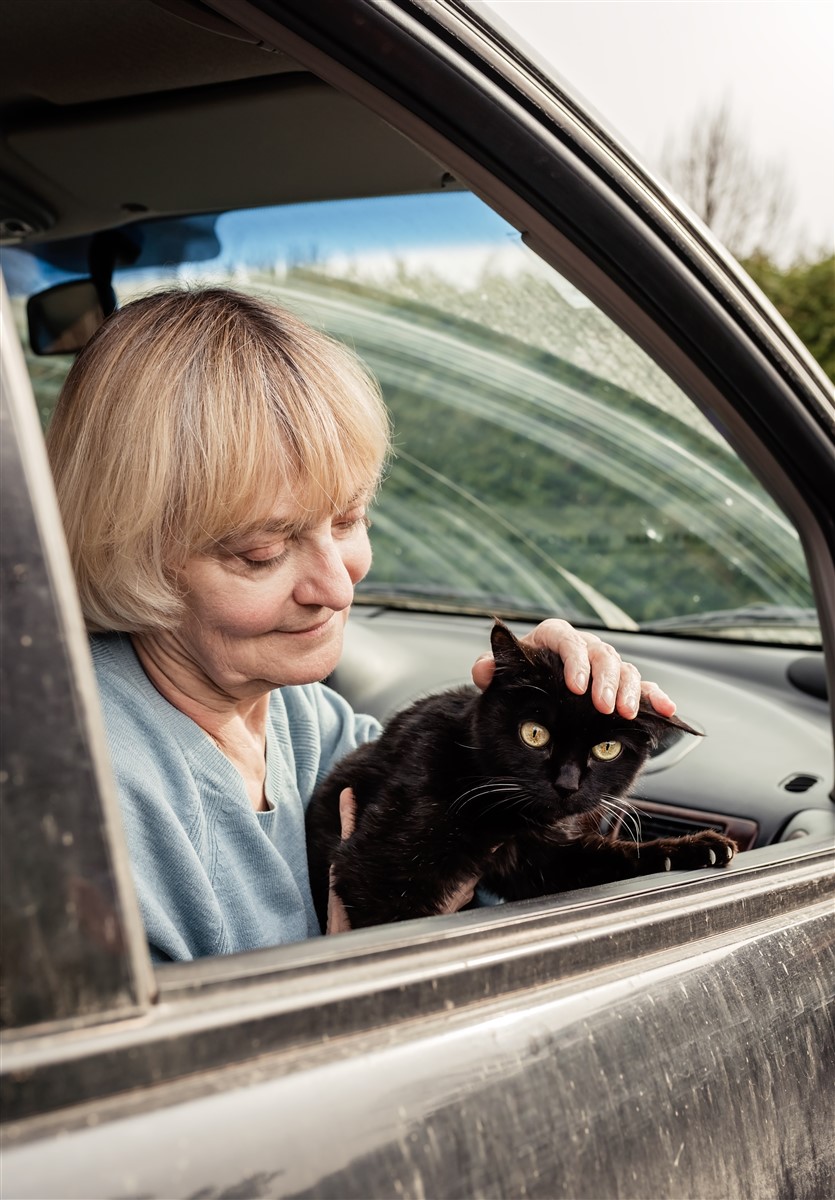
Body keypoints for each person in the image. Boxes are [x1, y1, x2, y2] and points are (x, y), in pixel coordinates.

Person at [46, 287, 675, 962]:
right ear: (129, 549)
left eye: (347, 520)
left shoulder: (302, 718)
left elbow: (482, 864)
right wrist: (355, 970)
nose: (338, 585)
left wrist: (532, 705)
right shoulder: (78, 806)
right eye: (261, 553)